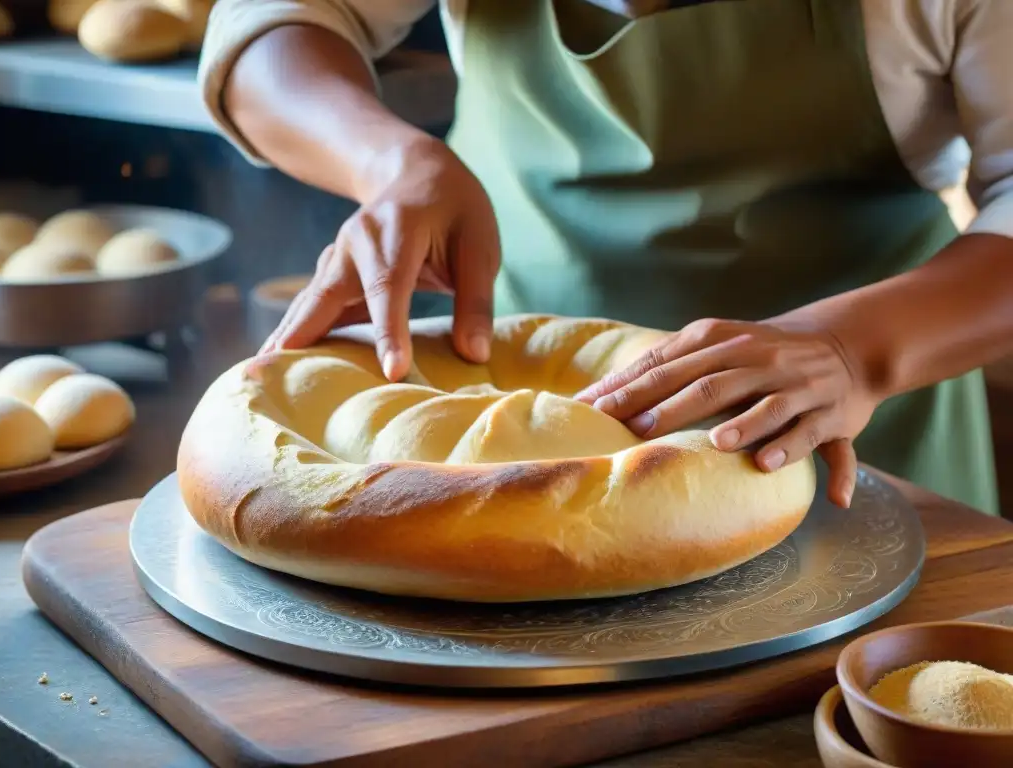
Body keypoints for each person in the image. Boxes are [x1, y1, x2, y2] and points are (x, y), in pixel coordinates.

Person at [198, 0, 1013, 515]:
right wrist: (388, 164)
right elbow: (271, 25)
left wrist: (852, 351)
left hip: (870, 446)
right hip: (506, 446)